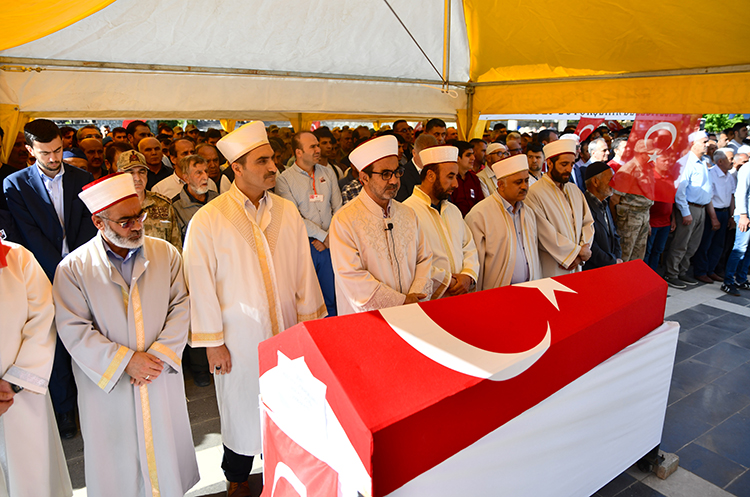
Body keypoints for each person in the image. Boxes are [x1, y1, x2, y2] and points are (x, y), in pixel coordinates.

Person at [184, 121, 325, 496]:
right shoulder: (208, 219)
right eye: (262, 161)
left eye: (272, 159)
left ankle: (288, 474)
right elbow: (200, 285)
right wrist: (213, 343)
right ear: (237, 167)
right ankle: (237, 479)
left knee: (291, 408)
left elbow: (304, 272)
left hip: (288, 332)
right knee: (241, 410)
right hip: (238, 340)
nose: (273, 167)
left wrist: (309, 330)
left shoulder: (286, 211)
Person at [53, 173, 199, 497]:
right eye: (125, 222)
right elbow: (73, 329)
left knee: (165, 456)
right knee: (118, 466)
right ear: (98, 222)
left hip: (159, 373)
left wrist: (158, 357)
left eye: (139, 216)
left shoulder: (165, 254)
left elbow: (181, 306)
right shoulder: (73, 268)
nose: (136, 226)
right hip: (110, 385)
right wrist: (126, 361)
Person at [3, 119, 98, 439]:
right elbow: (26, 233)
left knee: (87, 333)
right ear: (30, 150)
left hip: (83, 271)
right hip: (42, 275)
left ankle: (93, 401)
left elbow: (88, 225)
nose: (54, 158)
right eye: (45, 153)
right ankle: (65, 408)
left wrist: (76, 267)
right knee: (53, 341)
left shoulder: (82, 178)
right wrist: (57, 270)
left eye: (58, 150)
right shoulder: (15, 184)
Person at [0, 238, 73, 496]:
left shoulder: (17, 257)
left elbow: (43, 316)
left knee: (32, 475)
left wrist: (15, 381)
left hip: (19, 394)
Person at [330, 135, 433, 315]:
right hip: (370, 319)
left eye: (397, 172)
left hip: (413, 312)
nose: (394, 180)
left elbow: (424, 259)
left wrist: (415, 297)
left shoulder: (408, 214)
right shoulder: (344, 220)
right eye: (385, 174)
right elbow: (351, 276)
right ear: (364, 178)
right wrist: (400, 302)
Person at [276, 131, 343, 317]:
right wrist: (323, 237)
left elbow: (338, 208)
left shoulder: (328, 172)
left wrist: (329, 237)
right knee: (309, 300)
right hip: (306, 245)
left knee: (333, 296)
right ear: (298, 152)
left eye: (317, 145)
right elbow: (294, 217)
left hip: (331, 243)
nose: (318, 149)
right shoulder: (284, 179)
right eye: (312, 146)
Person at [403, 145, 479, 298]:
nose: (456, 184)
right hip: (431, 298)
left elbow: (468, 247)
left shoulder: (453, 210)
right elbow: (410, 263)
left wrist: (468, 275)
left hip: (461, 295)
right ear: (430, 176)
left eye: (456, 177)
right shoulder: (407, 212)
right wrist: (448, 281)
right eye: (450, 177)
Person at [466, 154, 541, 290]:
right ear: (500, 185)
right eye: (518, 182)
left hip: (530, 288)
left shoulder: (528, 212)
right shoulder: (479, 214)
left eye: (526, 180)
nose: (524, 186)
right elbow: (475, 263)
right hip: (497, 292)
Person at [525, 138, 595, 277]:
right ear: (550, 163)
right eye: (564, 164)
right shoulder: (534, 193)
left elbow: (588, 223)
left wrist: (583, 249)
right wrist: (575, 253)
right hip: (552, 263)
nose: (569, 169)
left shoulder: (574, 190)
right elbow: (544, 234)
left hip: (577, 262)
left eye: (572, 164)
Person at [664, 131, 712, 288]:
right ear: (693, 144)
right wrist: (685, 212)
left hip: (701, 208)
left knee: (692, 245)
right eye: (704, 142)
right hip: (689, 208)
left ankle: (682, 271)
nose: (707, 145)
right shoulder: (686, 162)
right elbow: (680, 191)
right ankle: (671, 273)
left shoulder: (703, 162)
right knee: (681, 243)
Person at [117, 150, 183, 251]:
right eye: (130, 173)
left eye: (141, 172)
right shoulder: (113, 208)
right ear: (119, 175)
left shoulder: (163, 204)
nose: (137, 178)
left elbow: (175, 246)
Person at [722, 144, 750, 296]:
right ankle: (728, 281)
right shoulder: (747, 168)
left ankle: (741, 278)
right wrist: (743, 215)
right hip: (745, 215)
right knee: (740, 248)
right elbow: (740, 193)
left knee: (748, 250)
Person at [583, 162, 622, 270]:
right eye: (610, 179)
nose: (614, 183)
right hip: (594, 270)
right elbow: (590, 244)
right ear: (595, 182)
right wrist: (612, 261)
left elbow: (614, 234)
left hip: (609, 267)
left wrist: (617, 257)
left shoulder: (604, 203)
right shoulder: (584, 205)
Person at [395, 132, 436, 201]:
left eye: (433, 156)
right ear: (414, 153)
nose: (429, 160)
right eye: (424, 156)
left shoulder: (439, 172)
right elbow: (403, 203)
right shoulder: (402, 175)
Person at [449, 140, 485, 216]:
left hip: (475, 219)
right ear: (457, 158)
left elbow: (481, 204)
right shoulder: (450, 179)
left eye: (473, 154)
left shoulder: (474, 179)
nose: (473, 158)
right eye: (468, 155)